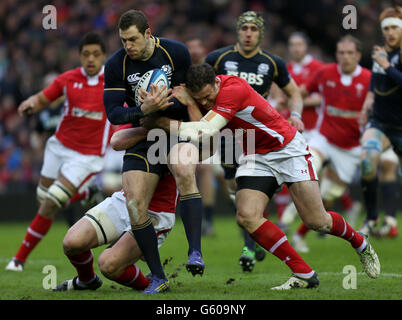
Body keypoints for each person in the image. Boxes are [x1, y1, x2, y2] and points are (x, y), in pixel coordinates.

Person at [151, 63, 380, 290]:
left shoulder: (232, 90)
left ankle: (359, 242)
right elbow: (205, 135)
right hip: (256, 155)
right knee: (247, 216)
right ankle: (304, 273)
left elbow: (205, 131)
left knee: (317, 221)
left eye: (208, 97)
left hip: (287, 149)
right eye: (199, 99)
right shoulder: (209, 95)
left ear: (217, 82)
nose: (205, 103)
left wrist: (164, 121)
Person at [103, 10, 204, 294]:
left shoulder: (176, 53)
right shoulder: (116, 65)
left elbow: (189, 98)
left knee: (184, 169)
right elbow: (113, 113)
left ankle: (195, 251)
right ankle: (158, 277)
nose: (128, 46)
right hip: (144, 135)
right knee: (135, 203)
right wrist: (142, 110)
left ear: (148, 33)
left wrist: (165, 107)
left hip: (175, 130)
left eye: (133, 39)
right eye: (123, 40)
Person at [205, 11, 305, 272]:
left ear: (261, 33)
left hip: (256, 136)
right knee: (235, 192)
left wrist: (295, 114)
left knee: (252, 189)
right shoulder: (218, 58)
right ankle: (255, 237)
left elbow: (294, 93)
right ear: (237, 31)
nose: (248, 33)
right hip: (227, 134)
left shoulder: (272, 63)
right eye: (244, 28)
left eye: (253, 29)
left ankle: (250, 247)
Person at [6, 33, 111, 271]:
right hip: (59, 147)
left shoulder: (114, 82)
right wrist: (31, 103)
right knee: (44, 199)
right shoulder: (68, 79)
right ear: (80, 56)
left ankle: (19, 259)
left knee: (51, 202)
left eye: (96, 54)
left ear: (104, 55)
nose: (91, 59)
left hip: (87, 156)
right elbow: (44, 98)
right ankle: (87, 194)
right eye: (86, 54)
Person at [53, 131, 178, 293]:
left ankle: (150, 283)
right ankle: (87, 281)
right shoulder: (137, 115)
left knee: (108, 264)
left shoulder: (176, 124)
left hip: (156, 212)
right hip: (124, 201)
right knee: (72, 243)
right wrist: (144, 127)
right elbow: (117, 141)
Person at [281, 35, 372, 253]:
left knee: (329, 196)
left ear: (358, 55)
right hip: (324, 137)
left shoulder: (369, 78)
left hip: (351, 147)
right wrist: (294, 110)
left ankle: (298, 234)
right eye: (341, 53)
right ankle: (287, 215)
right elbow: (299, 93)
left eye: (350, 53)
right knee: (309, 163)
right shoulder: (325, 73)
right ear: (336, 55)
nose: (345, 57)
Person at [359, 6, 402, 237]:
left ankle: (391, 221)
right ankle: (372, 218)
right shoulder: (379, 52)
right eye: (386, 28)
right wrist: (368, 99)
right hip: (381, 124)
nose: (390, 32)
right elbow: (375, 81)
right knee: (367, 162)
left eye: (395, 27)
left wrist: (387, 66)